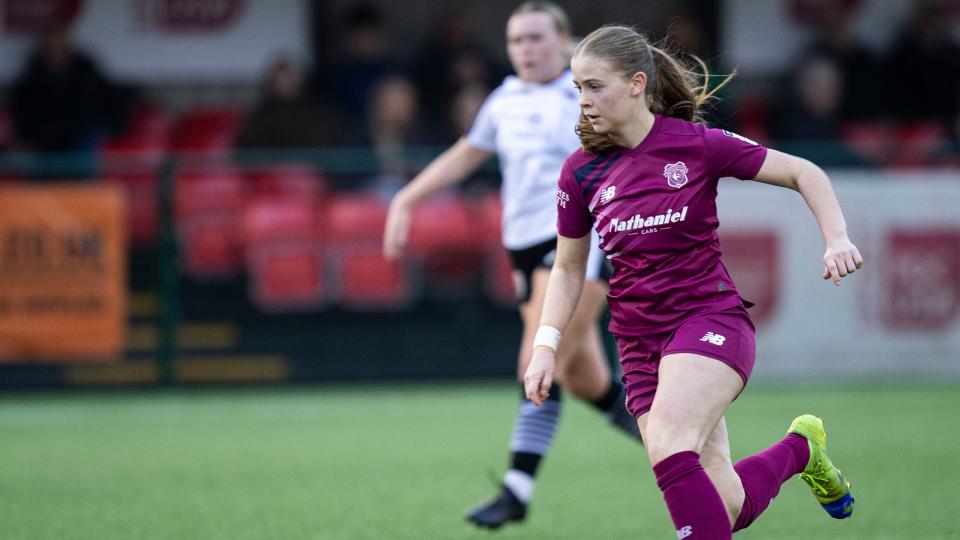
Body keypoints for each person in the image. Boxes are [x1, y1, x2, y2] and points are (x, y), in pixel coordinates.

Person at [523, 25, 862, 539]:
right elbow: (569, 268)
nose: (583, 101)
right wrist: (546, 346)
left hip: (709, 322)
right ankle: (802, 450)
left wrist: (836, 237)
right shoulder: (580, 172)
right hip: (638, 345)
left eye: (595, 86)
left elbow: (803, 171)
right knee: (726, 507)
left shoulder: (696, 145)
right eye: (578, 88)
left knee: (667, 439)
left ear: (637, 84)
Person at [382, 2, 643, 530]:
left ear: (565, 41)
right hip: (523, 248)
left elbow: (635, 150)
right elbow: (465, 154)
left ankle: (516, 489)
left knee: (537, 363)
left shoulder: (584, 95)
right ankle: (690, 447)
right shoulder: (503, 99)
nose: (525, 49)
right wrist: (406, 198)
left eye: (536, 38)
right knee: (587, 379)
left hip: (578, 243)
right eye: (516, 40)